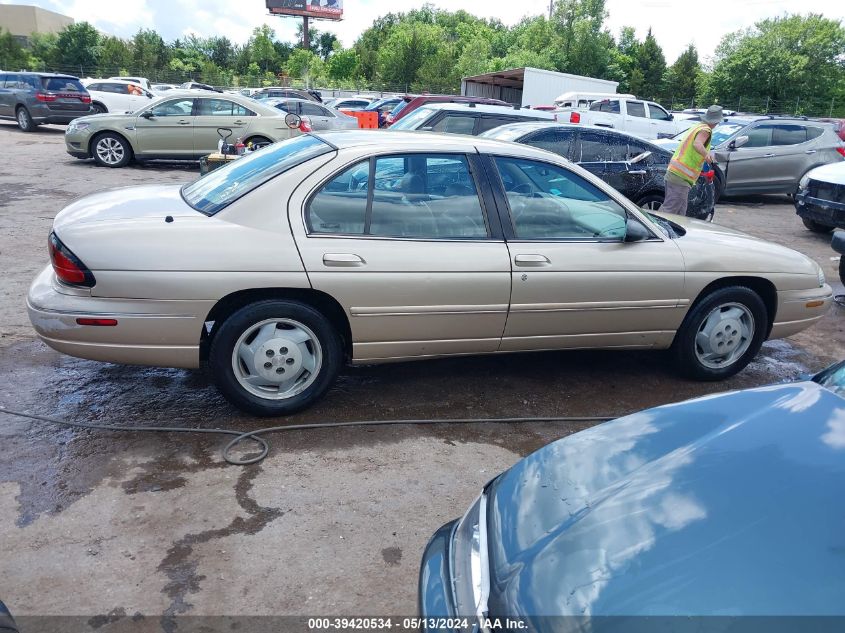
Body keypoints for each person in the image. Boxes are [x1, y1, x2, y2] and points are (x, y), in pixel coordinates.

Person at [662, 105, 723, 216]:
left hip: (677, 174)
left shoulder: (698, 127)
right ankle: (658, 232)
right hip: (680, 176)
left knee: (679, 212)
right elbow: (697, 144)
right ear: (717, 121)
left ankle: (675, 232)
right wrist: (707, 155)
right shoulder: (705, 130)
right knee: (670, 211)